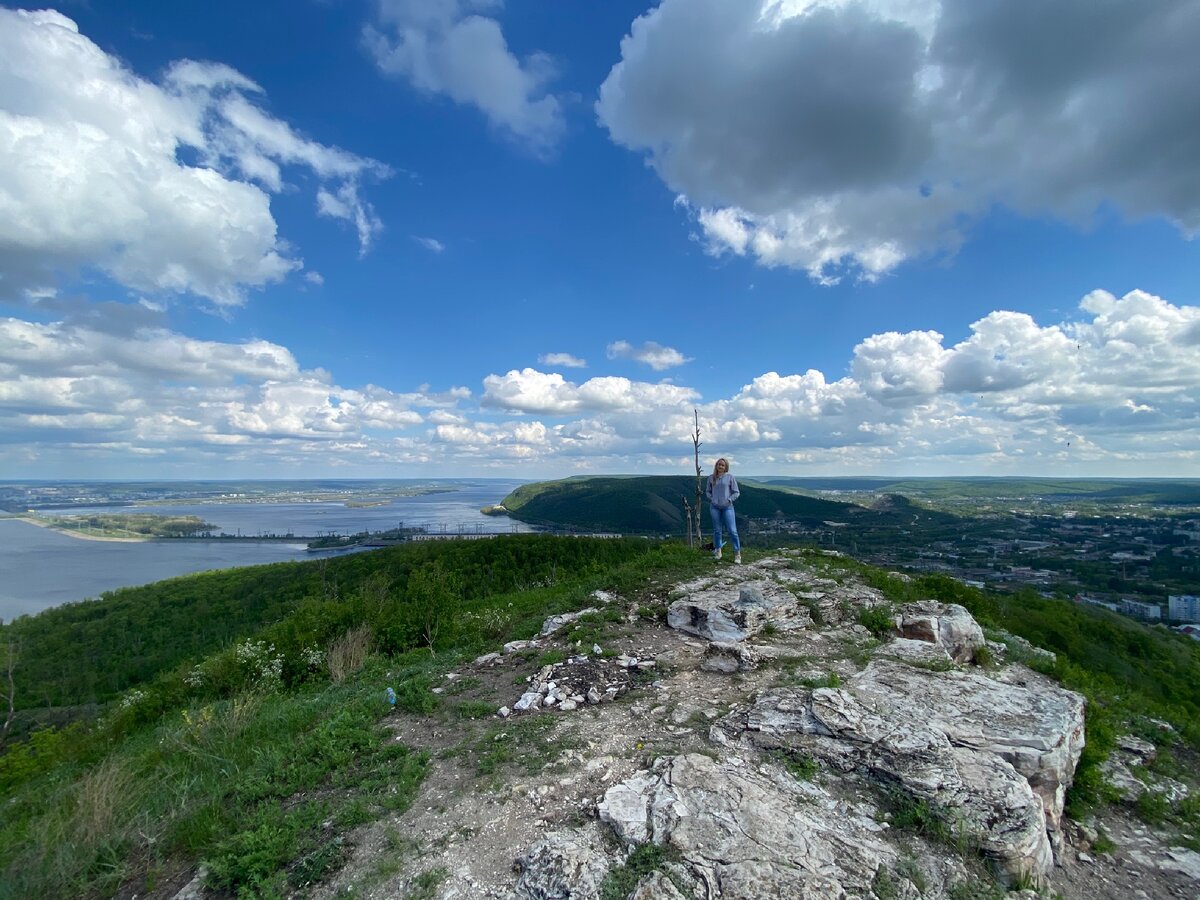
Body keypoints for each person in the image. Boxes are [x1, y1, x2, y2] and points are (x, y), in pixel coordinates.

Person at [705, 457, 741, 563]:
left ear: (726, 467)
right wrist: (712, 499)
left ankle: (737, 553)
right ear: (716, 465)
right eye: (719, 464)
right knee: (717, 530)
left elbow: (736, 492)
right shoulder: (711, 478)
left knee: (732, 530)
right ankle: (718, 551)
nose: (720, 466)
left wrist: (729, 500)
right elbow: (708, 491)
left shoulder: (730, 477)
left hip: (727, 507)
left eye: (722, 465)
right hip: (714, 507)